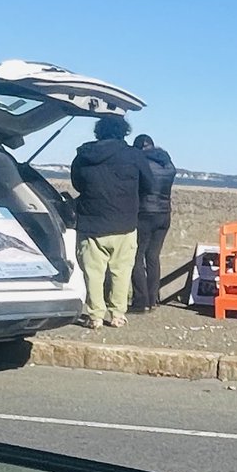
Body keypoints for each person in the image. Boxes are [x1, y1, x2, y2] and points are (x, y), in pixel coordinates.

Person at [70, 116, 156, 329]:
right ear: (124, 132)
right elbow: (150, 185)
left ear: (98, 132)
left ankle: (95, 315)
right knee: (121, 271)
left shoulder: (84, 155)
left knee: (93, 272)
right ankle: (117, 313)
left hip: (91, 221)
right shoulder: (134, 155)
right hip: (124, 221)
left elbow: (77, 184)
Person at [131, 134, 176, 311]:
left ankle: (140, 301)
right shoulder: (168, 164)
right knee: (153, 257)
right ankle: (152, 299)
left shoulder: (141, 164)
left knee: (136, 257)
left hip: (144, 213)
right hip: (164, 214)